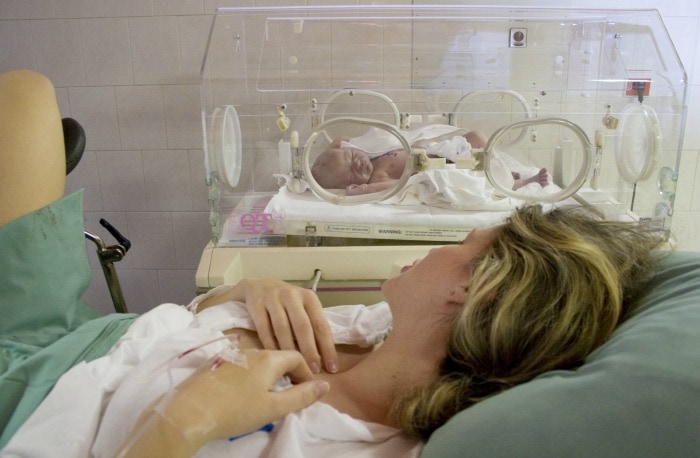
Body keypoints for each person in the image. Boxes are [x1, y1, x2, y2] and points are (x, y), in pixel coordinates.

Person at [1, 69, 665, 456]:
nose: (437, 248)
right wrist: (249, 288)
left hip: (36, 406)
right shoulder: (380, 327)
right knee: (26, 95)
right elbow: (199, 311)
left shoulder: (345, 442)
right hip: (82, 339)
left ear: (472, 291)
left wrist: (182, 426)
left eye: (462, 247)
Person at [311, 126, 548, 195]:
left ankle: (505, 169)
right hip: (442, 166)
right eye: (353, 172)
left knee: (476, 136)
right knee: (480, 178)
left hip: (441, 151)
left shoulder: (373, 155)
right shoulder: (378, 176)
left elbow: (342, 138)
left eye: (353, 157)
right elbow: (393, 186)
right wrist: (363, 189)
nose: (359, 163)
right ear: (350, 183)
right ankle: (520, 182)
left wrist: (337, 149)